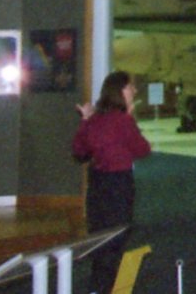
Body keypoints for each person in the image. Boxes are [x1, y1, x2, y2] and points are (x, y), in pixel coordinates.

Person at [72, 71, 151, 294]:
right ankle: (102, 289)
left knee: (100, 241)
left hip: (97, 186)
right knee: (115, 241)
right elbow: (142, 149)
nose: (134, 91)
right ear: (120, 91)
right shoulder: (123, 121)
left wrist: (86, 120)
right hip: (118, 186)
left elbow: (79, 152)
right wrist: (130, 118)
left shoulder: (95, 120)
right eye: (130, 87)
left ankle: (97, 288)